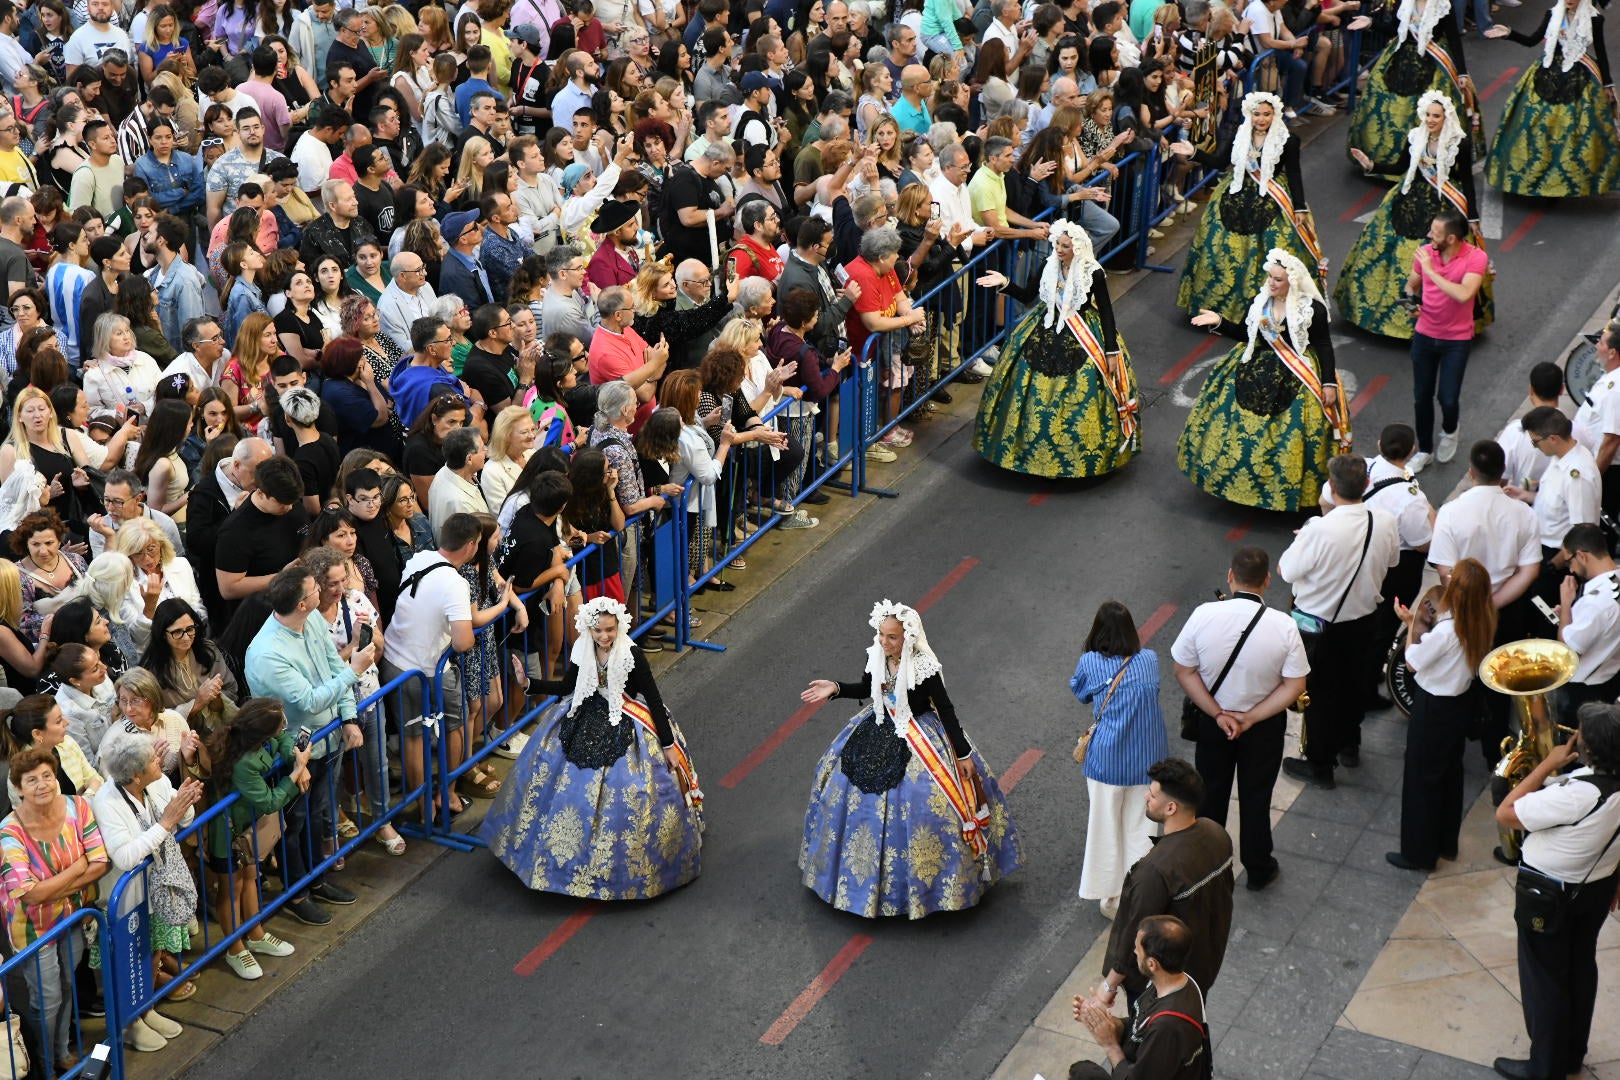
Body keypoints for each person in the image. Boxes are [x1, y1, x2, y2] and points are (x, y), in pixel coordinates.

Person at [798, 600, 1021, 918]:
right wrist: (835, 688)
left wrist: (962, 754)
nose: (884, 642)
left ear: (908, 638)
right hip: (878, 726)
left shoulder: (923, 667)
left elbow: (945, 710)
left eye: (892, 637)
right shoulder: (876, 654)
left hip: (919, 735)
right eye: (881, 635)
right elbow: (867, 687)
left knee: (925, 806)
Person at [480, 596, 700, 896]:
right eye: (598, 631)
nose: (604, 636)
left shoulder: (632, 654)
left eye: (609, 629)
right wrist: (530, 684)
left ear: (619, 626)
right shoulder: (583, 648)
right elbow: (567, 688)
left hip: (625, 720)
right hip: (583, 715)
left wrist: (667, 744)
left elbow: (654, 700)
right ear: (589, 629)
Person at [1492, 703, 1620, 1080]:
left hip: (1549, 892)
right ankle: (1570, 1055)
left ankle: (1545, 1068)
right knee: (1580, 969)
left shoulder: (1578, 794)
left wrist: (1547, 764)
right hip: (1595, 887)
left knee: (1544, 980)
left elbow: (1506, 812)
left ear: (1591, 747)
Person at [243, 566, 373, 926]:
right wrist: (356, 670)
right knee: (294, 823)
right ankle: (295, 892)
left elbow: (333, 667)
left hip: (327, 738)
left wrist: (348, 717)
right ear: (302, 603)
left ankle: (316, 879)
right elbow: (310, 700)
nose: (323, 591)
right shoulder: (268, 653)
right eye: (316, 588)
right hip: (293, 753)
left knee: (316, 814)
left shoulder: (312, 620)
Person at [1174, 546, 1309, 892]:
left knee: (1211, 795)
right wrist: (1250, 718)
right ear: (1266, 581)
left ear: (1230, 576)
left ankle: (1209, 868)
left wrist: (1219, 714)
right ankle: (1259, 867)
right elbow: (1295, 684)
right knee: (1256, 798)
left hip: (1213, 723)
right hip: (1262, 728)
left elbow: (1183, 670)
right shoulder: (1284, 626)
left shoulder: (1204, 615)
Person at [1178, 248, 1347, 513]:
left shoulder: (1311, 309)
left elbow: (1324, 345)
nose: (1271, 283)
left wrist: (1328, 383)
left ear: (1292, 281)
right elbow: (1246, 335)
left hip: (1296, 376)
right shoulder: (1260, 302)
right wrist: (1220, 322)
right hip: (1254, 371)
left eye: (1278, 279)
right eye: (1270, 277)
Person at [972, 221, 1137, 477]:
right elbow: (1028, 296)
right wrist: (1004, 282)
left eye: (1065, 246)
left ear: (1077, 248)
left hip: (1082, 334)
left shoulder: (1093, 273)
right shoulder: (1048, 265)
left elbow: (1106, 312)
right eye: (1057, 244)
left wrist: (1111, 350)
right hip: (1044, 327)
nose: (1059, 249)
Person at [1279, 455, 1402, 788]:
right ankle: (1350, 746)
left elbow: (1287, 570)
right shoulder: (1385, 520)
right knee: (1355, 686)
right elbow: (1392, 561)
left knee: (1320, 695)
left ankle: (1320, 764)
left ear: (1331, 488)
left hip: (1321, 628)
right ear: (1366, 485)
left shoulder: (1318, 529)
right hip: (1365, 621)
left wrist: (1302, 538)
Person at [1339, 93, 1491, 349]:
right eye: (1428, 115)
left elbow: (1466, 182)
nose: (1430, 120)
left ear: (1446, 118)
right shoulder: (1415, 136)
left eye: (1436, 116)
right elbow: (1400, 167)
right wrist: (1371, 164)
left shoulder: (1459, 144)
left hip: (1442, 209)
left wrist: (1472, 216)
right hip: (1407, 202)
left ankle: (1436, 321)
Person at [90, 725, 203, 1052]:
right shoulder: (107, 801)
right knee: (126, 960)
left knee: (152, 951)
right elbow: (124, 856)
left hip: (156, 891)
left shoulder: (155, 783)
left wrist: (181, 800)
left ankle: (146, 1009)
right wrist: (165, 822)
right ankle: (129, 1024)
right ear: (137, 775)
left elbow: (184, 819)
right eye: (153, 761)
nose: (160, 761)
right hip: (125, 901)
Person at [0, 747, 108, 1075]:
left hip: (71, 917)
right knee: (46, 999)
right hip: (31, 927)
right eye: (31, 780)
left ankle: (60, 1051)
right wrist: (78, 868)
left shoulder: (78, 807)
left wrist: (55, 887)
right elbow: (29, 896)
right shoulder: (9, 831)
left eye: (47, 775)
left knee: (67, 986)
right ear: (18, 788)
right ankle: (44, 1062)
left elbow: (100, 863)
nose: (43, 784)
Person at [1384, 557, 1495, 872]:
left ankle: (1418, 853)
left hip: (1434, 707)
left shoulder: (1449, 630)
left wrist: (1409, 625)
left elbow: (1412, 661)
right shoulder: (1484, 620)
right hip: (1459, 705)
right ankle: (1446, 842)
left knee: (1421, 779)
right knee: (1449, 774)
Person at [1096, 758, 1233, 1007]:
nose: (1146, 797)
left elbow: (1134, 933)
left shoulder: (1156, 870)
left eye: (1153, 794)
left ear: (1171, 808)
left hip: (1160, 985)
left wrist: (1109, 985)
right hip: (1202, 967)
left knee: (1148, 1040)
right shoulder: (1216, 834)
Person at [1177, 91, 1320, 326]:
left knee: (1274, 256)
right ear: (1249, 114)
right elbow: (1220, 162)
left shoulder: (1288, 140)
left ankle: (1270, 311)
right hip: (1233, 198)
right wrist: (1193, 153)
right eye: (1257, 114)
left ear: (1275, 114)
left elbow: (1294, 173)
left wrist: (1300, 207)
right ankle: (1216, 309)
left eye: (1266, 114)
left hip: (1271, 200)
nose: (1261, 119)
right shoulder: (1239, 134)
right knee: (1219, 254)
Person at [1072, 601, 1168, 917]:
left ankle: (1111, 898)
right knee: (1142, 830)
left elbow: (1080, 692)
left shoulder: (1089, 662)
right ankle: (1140, 895)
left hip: (1107, 761)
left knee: (1105, 827)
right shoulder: (1149, 660)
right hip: (1148, 761)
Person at [200, 698, 302, 981]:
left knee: (250, 876)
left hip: (247, 826)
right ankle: (234, 948)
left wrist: (294, 757)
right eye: (279, 723)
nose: (283, 727)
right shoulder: (244, 762)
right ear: (262, 734)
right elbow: (270, 801)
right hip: (228, 832)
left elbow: (283, 738)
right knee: (230, 887)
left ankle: (256, 933)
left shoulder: (253, 739)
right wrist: (295, 773)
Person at [1483, 0, 1618, 198]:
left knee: (1575, 127)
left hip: (1579, 77)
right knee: (1534, 122)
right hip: (1547, 75)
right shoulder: (1552, 14)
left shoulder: (1595, 19)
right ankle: (1535, 175)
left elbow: (1601, 52)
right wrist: (1509, 33)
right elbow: (1532, 40)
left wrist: (1608, 84)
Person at [1072, 915, 1213, 1080]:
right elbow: (1141, 1027)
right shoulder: (1176, 982)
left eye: (1137, 949)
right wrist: (1109, 1024)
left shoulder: (1167, 1026)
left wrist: (1110, 1045)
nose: (1134, 952)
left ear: (1152, 964)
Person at [1345, 0, 1471, 171]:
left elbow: (1454, 38)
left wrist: (1462, 72)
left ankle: (1427, 163)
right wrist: (1371, 23)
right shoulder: (1404, 3)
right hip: (1401, 61)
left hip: (1432, 61)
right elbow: (1395, 29)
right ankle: (1382, 162)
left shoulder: (1443, 5)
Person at [1506, 407, 1601, 609]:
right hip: (1543, 549)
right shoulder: (1560, 458)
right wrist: (1526, 495)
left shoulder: (1577, 476)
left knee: (1546, 616)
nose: (1535, 446)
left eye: (1535, 441)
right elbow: (1558, 503)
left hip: (1557, 559)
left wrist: (1552, 567)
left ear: (1553, 439)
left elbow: (1582, 532)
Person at [1553, 524, 1620, 726]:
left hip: (1587, 687)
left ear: (1581, 555)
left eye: (1569, 561)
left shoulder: (1596, 602)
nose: (1571, 569)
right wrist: (1573, 614)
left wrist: (1566, 604)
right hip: (1611, 672)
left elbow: (1568, 651)